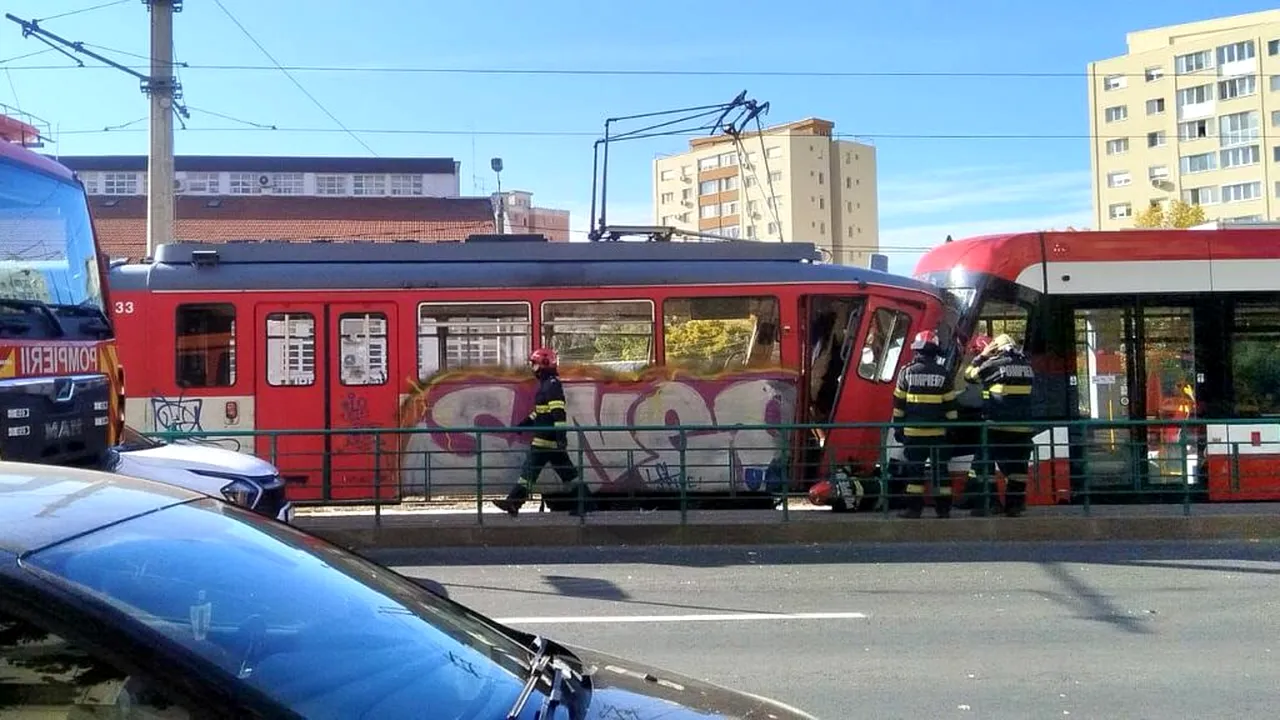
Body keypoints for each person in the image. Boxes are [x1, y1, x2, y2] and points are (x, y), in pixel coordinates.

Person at [493, 348, 582, 517]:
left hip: (547, 441)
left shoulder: (552, 386)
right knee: (564, 475)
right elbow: (542, 411)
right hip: (546, 440)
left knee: (532, 473)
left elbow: (558, 413)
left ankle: (513, 502)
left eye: (534, 364)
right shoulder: (547, 385)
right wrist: (524, 424)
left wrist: (560, 437)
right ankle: (513, 503)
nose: (532, 368)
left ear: (544, 364)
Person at [963, 333, 1036, 517]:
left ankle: (989, 503)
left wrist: (983, 356)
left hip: (996, 427)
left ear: (996, 349)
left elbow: (969, 376)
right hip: (1022, 428)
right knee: (1017, 470)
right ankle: (1014, 506)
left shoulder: (994, 364)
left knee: (982, 464)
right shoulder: (1027, 367)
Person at [891, 330, 959, 519]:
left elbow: (899, 405)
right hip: (938, 434)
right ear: (935, 351)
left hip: (914, 434)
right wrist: (952, 429)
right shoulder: (944, 374)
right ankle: (943, 510)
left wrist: (898, 427)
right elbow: (951, 407)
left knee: (915, 472)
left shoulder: (907, 372)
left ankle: (914, 510)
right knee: (941, 472)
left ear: (917, 350)